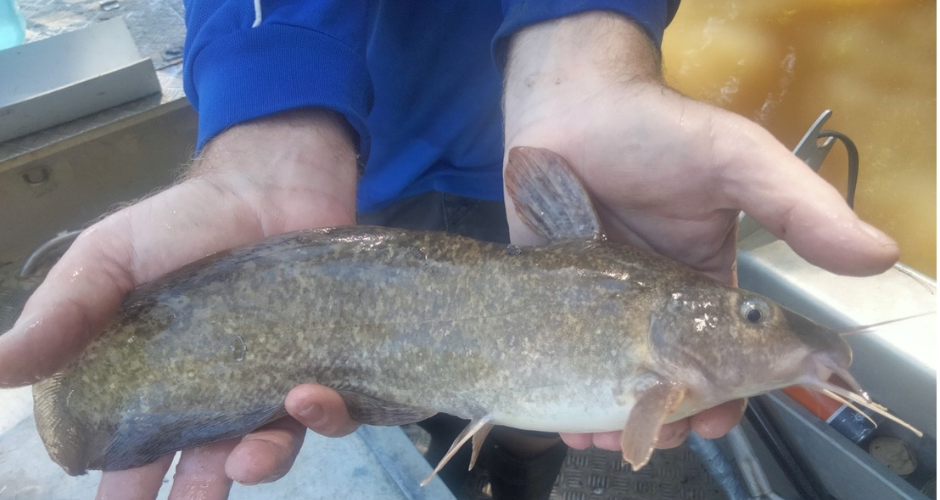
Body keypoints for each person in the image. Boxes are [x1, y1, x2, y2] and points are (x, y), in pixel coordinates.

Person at [0, 2, 899, 500]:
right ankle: (474, 467)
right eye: (749, 313)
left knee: (494, 415)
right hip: (353, 155)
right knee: (405, 393)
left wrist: (583, 44)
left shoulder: (637, 283)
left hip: (531, 148)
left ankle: (508, 470)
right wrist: (271, 111)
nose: (758, 320)